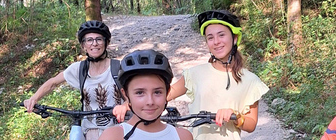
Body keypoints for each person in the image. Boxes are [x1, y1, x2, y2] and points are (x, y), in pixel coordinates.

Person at [169, 10, 269, 140]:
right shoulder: (194, 74)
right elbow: (164, 95)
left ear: (234, 38)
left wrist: (236, 116)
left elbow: (251, 125)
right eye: (210, 37)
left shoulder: (251, 81)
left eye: (221, 35)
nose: (216, 42)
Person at [24, 20, 124, 140]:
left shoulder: (118, 67)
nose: (94, 43)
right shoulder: (79, 68)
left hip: (118, 129)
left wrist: (125, 106)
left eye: (99, 39)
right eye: (89, 40)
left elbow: (136, 94)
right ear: (83, 45)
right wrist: (34, 98)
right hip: (91, 131)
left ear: (106, 43)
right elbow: (53, 82)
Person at [98, 50, 193, 140]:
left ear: (167, 93)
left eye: (157, 92)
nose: (150, 101)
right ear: (126, 95)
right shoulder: (113, 136)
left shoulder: (182, 136)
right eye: (140, 93)